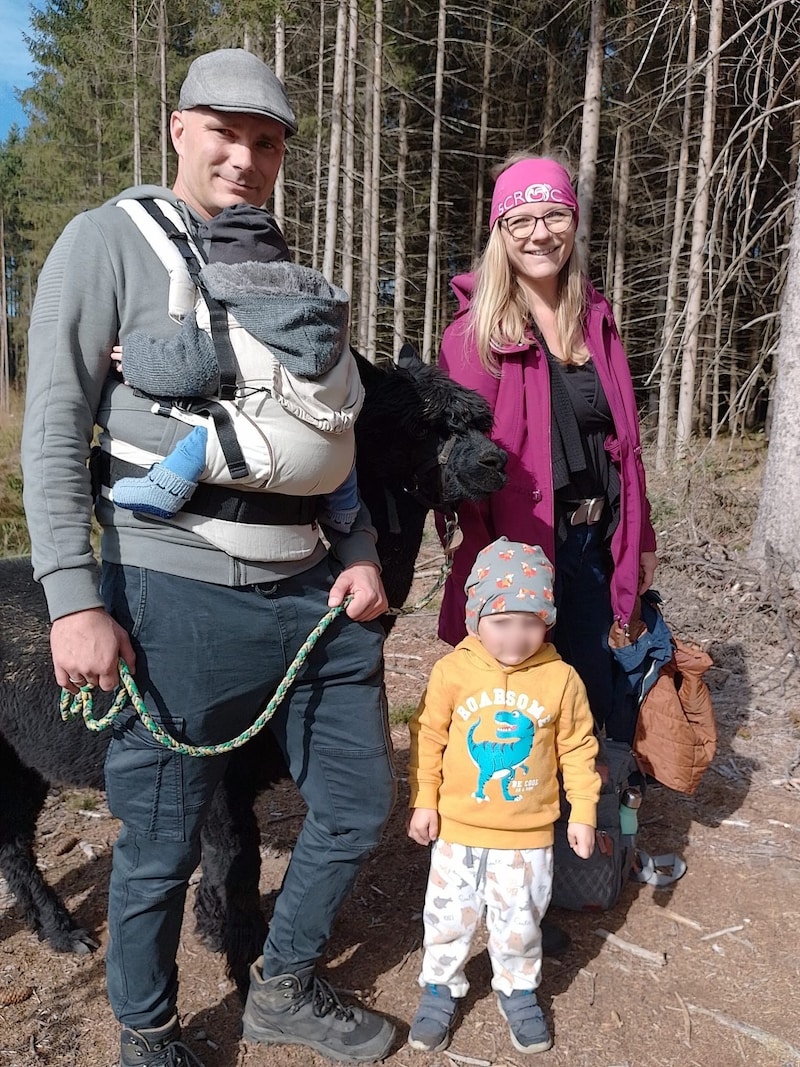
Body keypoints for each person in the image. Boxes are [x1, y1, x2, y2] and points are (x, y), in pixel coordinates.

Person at [21, 48, 396, 1067]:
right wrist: (70, 597)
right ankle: (148, 1031)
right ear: (179, 127)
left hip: (317, 590)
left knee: (359, 800)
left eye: (266, 141)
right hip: (173, 588)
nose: (244, 156)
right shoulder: (107, 243)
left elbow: (332, 429)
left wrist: (358, 546)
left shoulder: (275, 262)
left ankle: (278, 982)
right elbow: (55, 421)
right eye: (224, 132)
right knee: (160, 840)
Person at [435, 154, 658, 741]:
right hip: (519, 550)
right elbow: (463, 465)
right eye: (522, 219)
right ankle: (521, 828)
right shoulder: (472, 336)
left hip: (594, 542)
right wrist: (485, 573)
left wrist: (642, 540)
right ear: (500, 233)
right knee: (521, 712)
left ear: (574, 223)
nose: (540, 232)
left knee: (589, 701)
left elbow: (624, 447)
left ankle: (590, 824)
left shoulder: (597, 322)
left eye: (555, 215)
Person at [406, 537, 600, 1054]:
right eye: (501, 622)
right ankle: (440, 989)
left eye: (531, 622)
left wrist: (583, 812)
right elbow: (429, 736)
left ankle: (518, 991)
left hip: (527, 836)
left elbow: (578, 748)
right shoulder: (453, 671)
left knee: (520, 921)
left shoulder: (561, 679)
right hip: (457, 829)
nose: (516, 638)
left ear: (548, 620)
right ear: (474, 619)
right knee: (447, 918)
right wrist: (424, 798)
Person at [109, 202, 361, 534]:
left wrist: (135, 359)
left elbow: (188, 369)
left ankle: (163, 489)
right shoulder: (326, 320)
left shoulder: (227, 315)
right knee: (338, 432)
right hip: (337, 470)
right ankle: (345, 510)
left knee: (205, 437)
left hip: (267, 456)